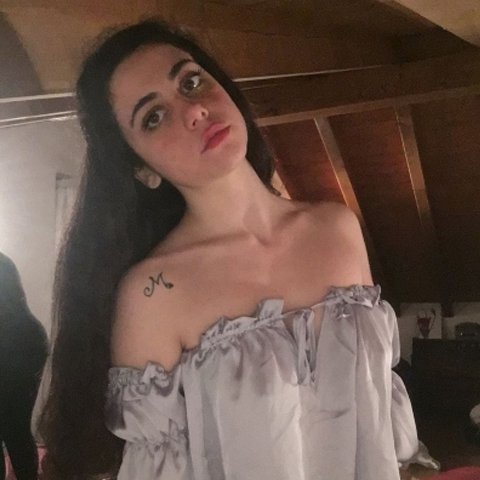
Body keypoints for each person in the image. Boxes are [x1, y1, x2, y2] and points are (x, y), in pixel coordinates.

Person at [39, 19, 438, 480]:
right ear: (141, 169)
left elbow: (379, 422)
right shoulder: (153, 295)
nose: (194, 110)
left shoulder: (338, 228)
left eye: (191, 82)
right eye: (153, 117)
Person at [0, 253, 48, 480]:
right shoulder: (31, 327)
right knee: (19, 433)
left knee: (16, 432)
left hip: (14, 365)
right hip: (25, 355)